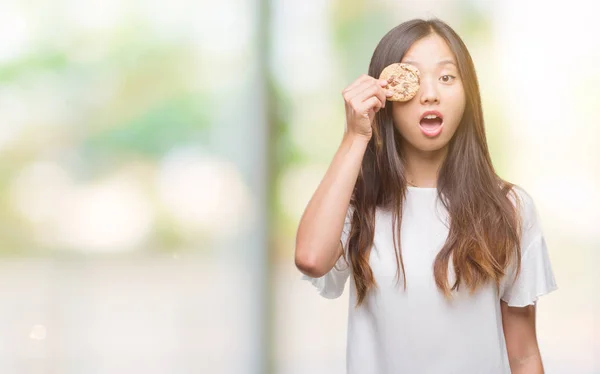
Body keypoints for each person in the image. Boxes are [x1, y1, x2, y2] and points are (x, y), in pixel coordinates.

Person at [294, 18, 558, 374]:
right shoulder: (359, 205)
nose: (430, 93)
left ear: (468, 94)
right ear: (386, 94)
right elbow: (311, 258)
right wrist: (355, 136)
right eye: (414, 79)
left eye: (447, 77)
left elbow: (524, 353)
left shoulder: (508, 207)